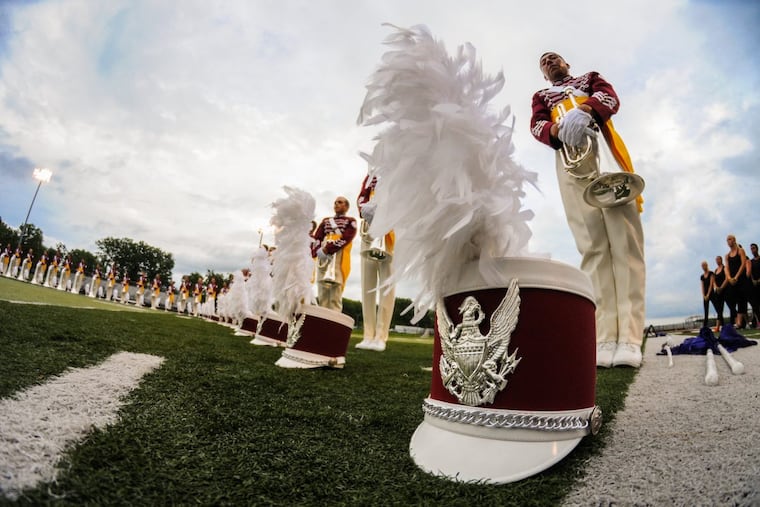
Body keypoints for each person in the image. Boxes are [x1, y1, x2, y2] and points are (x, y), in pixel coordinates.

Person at [530, 52, 645, 368]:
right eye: (544, 62)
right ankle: (605, 336)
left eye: (555, 58)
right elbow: (538, 125)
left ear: (567, 63)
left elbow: (609, 97)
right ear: (543, 74)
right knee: (593, 246)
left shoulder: (590, 78)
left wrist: (584, 111)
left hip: (600, 145)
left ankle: (631, 339)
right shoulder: (541, 96)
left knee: (625, 245)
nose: (550, 62)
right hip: (570, 158)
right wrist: (557, 131)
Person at [355, 173, 396, 351]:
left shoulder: (399, 169)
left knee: (387, 284)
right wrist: (365, 209)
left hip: (390, 230)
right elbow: (362, 196)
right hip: (369, 228)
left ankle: (381, 336)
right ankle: (368, 334)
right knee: (367, 285)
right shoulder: (372, 174)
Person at [311, 196, 357, 312]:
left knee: (336, 292)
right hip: (323, 257)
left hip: (338, 256)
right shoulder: (326, 221)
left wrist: (328, 249)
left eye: (340, 202)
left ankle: (334, 318)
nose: (336, 204)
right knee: (322, 291)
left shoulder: (350, 221)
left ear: (346, 207)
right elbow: (318, 237)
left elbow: (347, 237)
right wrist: (317, 250)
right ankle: (322, 317)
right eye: (335, 202)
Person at [724, 234, 748, 328]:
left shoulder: (740, 251)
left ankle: (739, 322)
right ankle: (736, 320)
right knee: (729, 298)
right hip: (732, 280)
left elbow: (743, 264)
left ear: (734, 240)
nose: (728, 241)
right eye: (727, 240)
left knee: (742, 300)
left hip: (741, 279)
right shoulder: (727, 255)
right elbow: (726, 268)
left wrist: (736, 277)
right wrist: (729, 278)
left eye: (730, 239)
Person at [745, 243, 760, 328]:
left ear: (757, 249)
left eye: (754, 248)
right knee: (755, 305)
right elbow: (749, 273)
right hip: (754, 286)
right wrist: (753, 280)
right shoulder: (751, 261)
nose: (752, 250)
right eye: (751, 249)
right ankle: (757, 322)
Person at [712, 255, 727, 331]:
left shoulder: (724, 268)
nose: (717, 261)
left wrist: (721, 287)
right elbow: (714, 281)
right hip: (717, 291)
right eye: (716, 260)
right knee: (718, 309)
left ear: (721, 260)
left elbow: (726, 278)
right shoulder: (715, 270)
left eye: (718, 259)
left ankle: (720, 326)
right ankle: (719, 326)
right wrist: (716, 287)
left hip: (724, 290)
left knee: (722, 308)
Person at [700, 261, 716, 329]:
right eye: (702, 266)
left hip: (711, 293)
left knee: (717, 308)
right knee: (706, 311)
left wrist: (708, 294)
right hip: (705, 295)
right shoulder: (702, 276)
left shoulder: (711, 273)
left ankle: (721, 323)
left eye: (705, 265)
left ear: (707, 265)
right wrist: (704, 295)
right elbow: (702, 286)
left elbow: (711, 284)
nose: (704, 267)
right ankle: (705, 326)